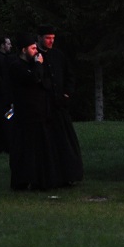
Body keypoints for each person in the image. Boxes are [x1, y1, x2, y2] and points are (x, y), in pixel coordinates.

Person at [8, 32, 67, 190]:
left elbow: (44, 81)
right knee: (25, 151)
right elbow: (34, 79)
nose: (36, 51)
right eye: (33, 48)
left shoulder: (31, 65)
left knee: (40, 151)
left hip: (40, 114)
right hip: (26, 116)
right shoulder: (16, 66)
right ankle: (23, 180)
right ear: (23, 50)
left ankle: (40, 180)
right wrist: (38, 65)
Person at [38, 25, 83, 185]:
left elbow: (70, 75)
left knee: (65, 142)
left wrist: (66, 93)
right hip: (45, 108)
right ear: (40, 38)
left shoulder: (58, 55)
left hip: (60, 106)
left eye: (53, 38)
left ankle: (68, 175)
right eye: (47, 38)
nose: (51, 41)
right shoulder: (35, 56)